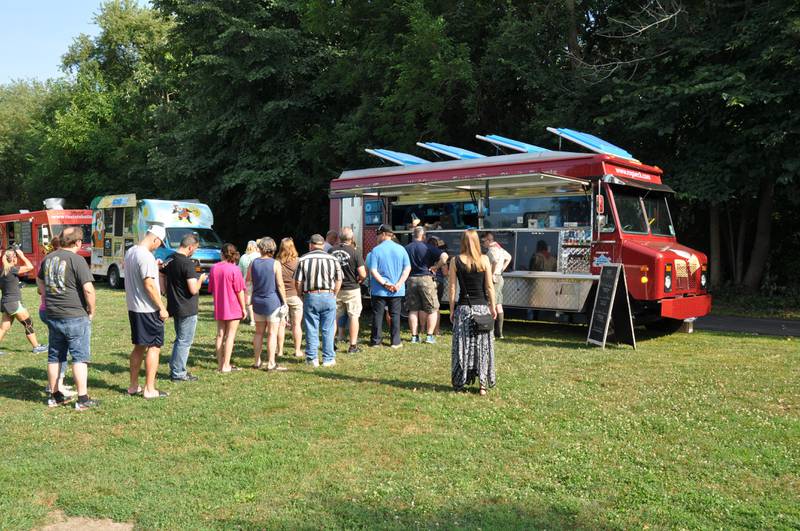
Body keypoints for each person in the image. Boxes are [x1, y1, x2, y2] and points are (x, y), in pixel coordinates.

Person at [37, 226, 97, 409]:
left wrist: (43, 291)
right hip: (75, 315)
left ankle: (55, 396)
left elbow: (39, 280)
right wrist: (91, 311)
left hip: (54, 314)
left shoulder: (48, 259)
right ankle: (83, 399)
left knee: (55, 356)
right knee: (79, 357)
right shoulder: (77, 260)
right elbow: (88, 289)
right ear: (78, 242)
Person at [449, 229, 497, 395]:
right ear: (477, 241)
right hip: (482, 309)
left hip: (463, 309)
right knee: (483, 347)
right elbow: (489, 287)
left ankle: (460, 381)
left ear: (462, 241)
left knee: (462, 346)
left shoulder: (455, 261)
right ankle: (483, 385)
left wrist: (451, 309)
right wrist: (493, 306)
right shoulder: (484, 260)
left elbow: (453, 287)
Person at [125, 225, 170, 399]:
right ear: (155, 239)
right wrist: (162, 307)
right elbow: (149, 285)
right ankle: (150, 389)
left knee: (138, 347)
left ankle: (133, 386)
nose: (158, 246)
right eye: (159, 243)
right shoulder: (146, 256)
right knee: (154, 347)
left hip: (134, 308)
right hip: (148, 309)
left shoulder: (131, 252)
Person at [164, 233, 206, 382]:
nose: (194, 251)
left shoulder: (170, 259)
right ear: (190, 247)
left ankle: (176, 368)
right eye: (194, 249)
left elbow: (162, 275)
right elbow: (193, 289)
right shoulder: (188, 264)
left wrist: (165, 291)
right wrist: (200, 279)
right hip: (187, 307)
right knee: (184, 341)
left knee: (180, 339)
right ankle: (178, 372)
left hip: (174, 305)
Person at [294, 234, 342, 367]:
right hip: (328, 295)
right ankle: (328, 358)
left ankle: (312, 358)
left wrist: (300, 295)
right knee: (328, 328)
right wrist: (334, 293)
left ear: (311, 245)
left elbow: (298, 281)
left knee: (311, 328)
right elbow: (339, 279)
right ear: (323, 244)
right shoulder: (333, 259)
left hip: (311, 295)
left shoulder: (303, 259)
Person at [367, 224, 411, 348]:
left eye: (378, 234)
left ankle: (376, 341)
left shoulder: (376, 250)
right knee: (395, 315)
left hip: (379, 290)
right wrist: (398, 284)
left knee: (378, 315)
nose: (377, 237)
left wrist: (385, 284)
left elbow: (373, 271)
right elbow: (407, 268)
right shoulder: (401, 249)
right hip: (397, 290)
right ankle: (396, 341)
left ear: (384, 234)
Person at [247, 237, 288, 371]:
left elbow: (248, 281)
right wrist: (285, 302)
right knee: (272, 333)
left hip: (257, 300)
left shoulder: (253, 263)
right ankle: (271, 363)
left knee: (258, 333)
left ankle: (257, 361)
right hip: (272, 301)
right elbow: (280, 284)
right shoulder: (275, 264)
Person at [38, 236, 71, 397]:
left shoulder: (46, 260)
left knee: (57, 347)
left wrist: (46, 294)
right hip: (57, 310)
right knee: (60, 349)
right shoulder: (63, 261)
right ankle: (56, 385)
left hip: (45, 309)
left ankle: (56, 384)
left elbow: (39, 287)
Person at [0, 248, 48, 355]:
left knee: (4, 327)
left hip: (5, 302)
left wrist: (15, 286)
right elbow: (30, 266)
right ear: (12, 259)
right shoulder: (12, 269)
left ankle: (37, 346)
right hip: (14, 303)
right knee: (28, 323)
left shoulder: (2, 271)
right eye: (15, 257)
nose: (17, 258)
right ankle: (36, 347)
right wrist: (22, 255)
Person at [404, 226, 448, 344]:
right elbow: (444, 257)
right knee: (432, 309)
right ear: (423, 236)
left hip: (411, 279)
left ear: (414, 235)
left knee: (413, 310)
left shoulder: (406, 248)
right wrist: (436, 267)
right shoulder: (428, 247)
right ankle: (429, 336)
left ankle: (414, 336)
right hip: (426, 279)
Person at [208, 243, 247, 373]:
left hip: (220, 305)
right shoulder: (234, 269)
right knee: (230, 336)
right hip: (233, 306)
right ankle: (226, 365)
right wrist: (244, 308)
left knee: (220, 335)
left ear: (222, 253)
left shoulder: (214, 268)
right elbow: (239, 290)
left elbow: (212, 288)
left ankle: (220, 365)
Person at [329, 227, 366, 353]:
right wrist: (360, 279)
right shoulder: (355, 252)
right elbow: (363, 273)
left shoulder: (331, 251)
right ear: (352, 238)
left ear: (339, 238)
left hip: (335, 289)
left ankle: (330, 344)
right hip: (352, 289)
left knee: (334, 316)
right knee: (354, 316)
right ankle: (353, 346)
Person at [276, 237, 303, 358]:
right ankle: (297, 350)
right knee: (296, 324)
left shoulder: (277, 262)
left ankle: (280, 351)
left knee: (280, 325)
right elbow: (301, 280)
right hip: (296, 296)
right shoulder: (298, 261)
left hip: (280, 297)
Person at [482, 232, 512, 339]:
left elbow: (494, 262)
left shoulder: (491, 251)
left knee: (491, 304)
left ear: (489, 241)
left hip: (494, 278)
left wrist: (491, 274)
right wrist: (502, 269)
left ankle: (492, 333)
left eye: (483, 241)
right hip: (500, 277)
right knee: (498, 304)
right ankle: (499, 334)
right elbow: (509, 257)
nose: (482, 244)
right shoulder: (500, 249)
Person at [427, 236, 448, 336]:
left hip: (427, 280)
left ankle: (423, 329)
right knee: (436, 308)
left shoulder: (425, 255)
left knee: (425, 307)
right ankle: (436, 330)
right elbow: (445, 272)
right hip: (438, 281)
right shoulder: (440, 256)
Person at [238, 240, 259, 326]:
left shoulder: (243, 257)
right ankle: (258, 319)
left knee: (248, 302)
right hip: (257, 282)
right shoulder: (258, 256)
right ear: (255, 247)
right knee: (256, 301)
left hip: (246, 282)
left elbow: (240, 271)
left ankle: (251, 320)